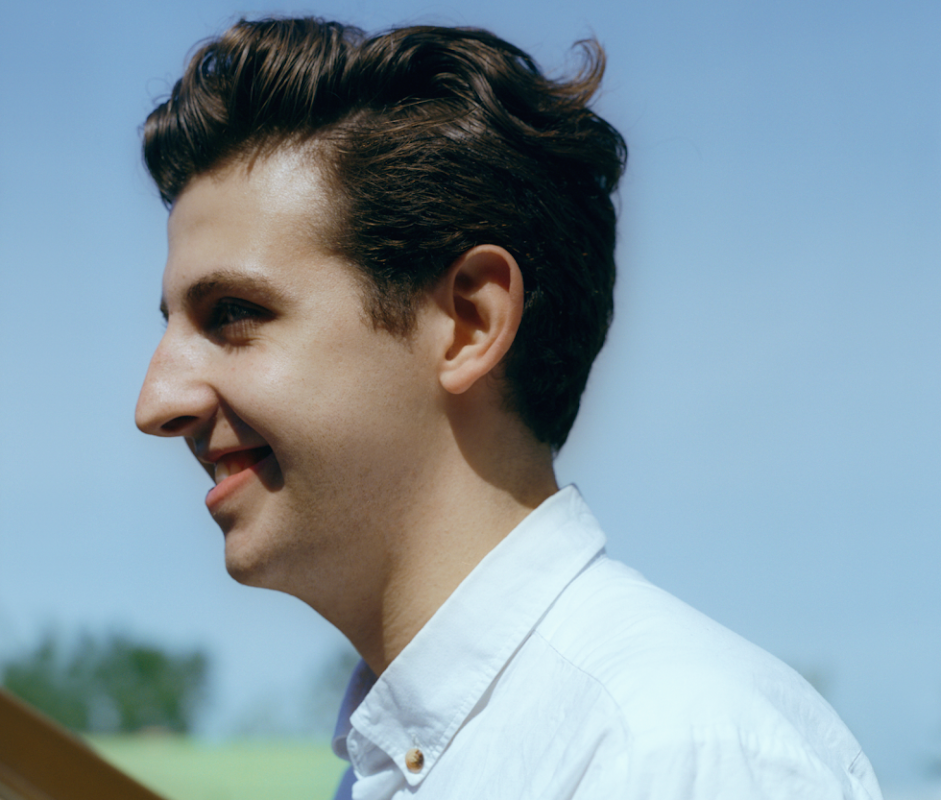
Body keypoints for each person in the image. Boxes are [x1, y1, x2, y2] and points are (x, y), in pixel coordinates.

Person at [135, 17, 883, 800]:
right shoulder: (396, 770)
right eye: (171, 326)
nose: (155, 403)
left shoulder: (666, 753)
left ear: (469, 323)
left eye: (233, 314)